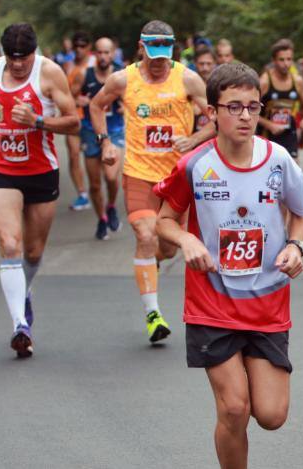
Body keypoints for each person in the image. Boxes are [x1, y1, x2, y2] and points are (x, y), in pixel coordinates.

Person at [155, 62, 303, 469]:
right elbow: (164, 221)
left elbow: (301, 212)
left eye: (253, 107)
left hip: (267, 302)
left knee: (272, 416)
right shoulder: (193, 166)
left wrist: (296, 245)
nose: (245, 116)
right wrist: (186, 239)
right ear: (212, 113)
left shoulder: (278, 160)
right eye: (234, 107)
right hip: (213, 303)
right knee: (234, 409)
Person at [89, 20, 215, 343]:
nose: (159, 61)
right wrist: (104, 140)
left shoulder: (188, 79)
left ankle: (150, 265)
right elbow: (96, 105)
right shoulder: (123, 79)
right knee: (145, 234)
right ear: (141, 47)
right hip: (139, 173)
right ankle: (153, 314)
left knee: (169, 248)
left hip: (176, 177)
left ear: (172, 49)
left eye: (165, 53)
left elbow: (215, 119)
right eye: (153, 53)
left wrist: (195, 139)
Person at [0, 23, 81, 357]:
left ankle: (24, 292)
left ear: (35, 52)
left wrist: (38, 121)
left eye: (24, 58)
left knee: (33, 252)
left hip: (41, 170)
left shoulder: (50, 73)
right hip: (2, 171)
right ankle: (20, 325)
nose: (18, 65)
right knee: (9, 243)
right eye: (12, 58)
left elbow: (73, 122)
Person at [70, 37, 124, 240]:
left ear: (113, 53)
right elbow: (70, 96)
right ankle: (101, 218)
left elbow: (133, 98)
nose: (103, 56)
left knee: (110, 177)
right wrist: (78, 99)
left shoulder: (122, 74)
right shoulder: (85, 74)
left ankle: (111, 206)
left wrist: (125, 106)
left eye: (107, 52)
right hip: (90, 131)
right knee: (94, 184)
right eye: (99, 52)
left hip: (115, 130)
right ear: (95, 54)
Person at [258, 39, 303, 160]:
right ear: (274, 61)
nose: (286, 63)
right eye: (281, 60)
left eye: (289, 59)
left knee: (292, 171)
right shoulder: (265, 81)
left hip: (288, 133)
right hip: (266, 134)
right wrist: (269, 124)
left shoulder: (297, 81)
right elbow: (250, 110)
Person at [66, 30, 93, 211]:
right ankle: (82, 194)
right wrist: (76, 101)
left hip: (92, 119)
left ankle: (96, 190)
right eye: (76, 46)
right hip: (72, 117)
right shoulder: (68, 66)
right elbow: (61, 93)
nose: (79, 49)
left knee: (94, 159)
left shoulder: (96, 64)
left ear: (89, 47)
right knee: (74, 155)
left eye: (83, 46)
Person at [193, 45, 218, 132]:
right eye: (201, 64)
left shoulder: (221, 87)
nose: (205, 68)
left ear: (215, 63)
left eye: (208, 63)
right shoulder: (188, 85)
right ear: (195, 63)